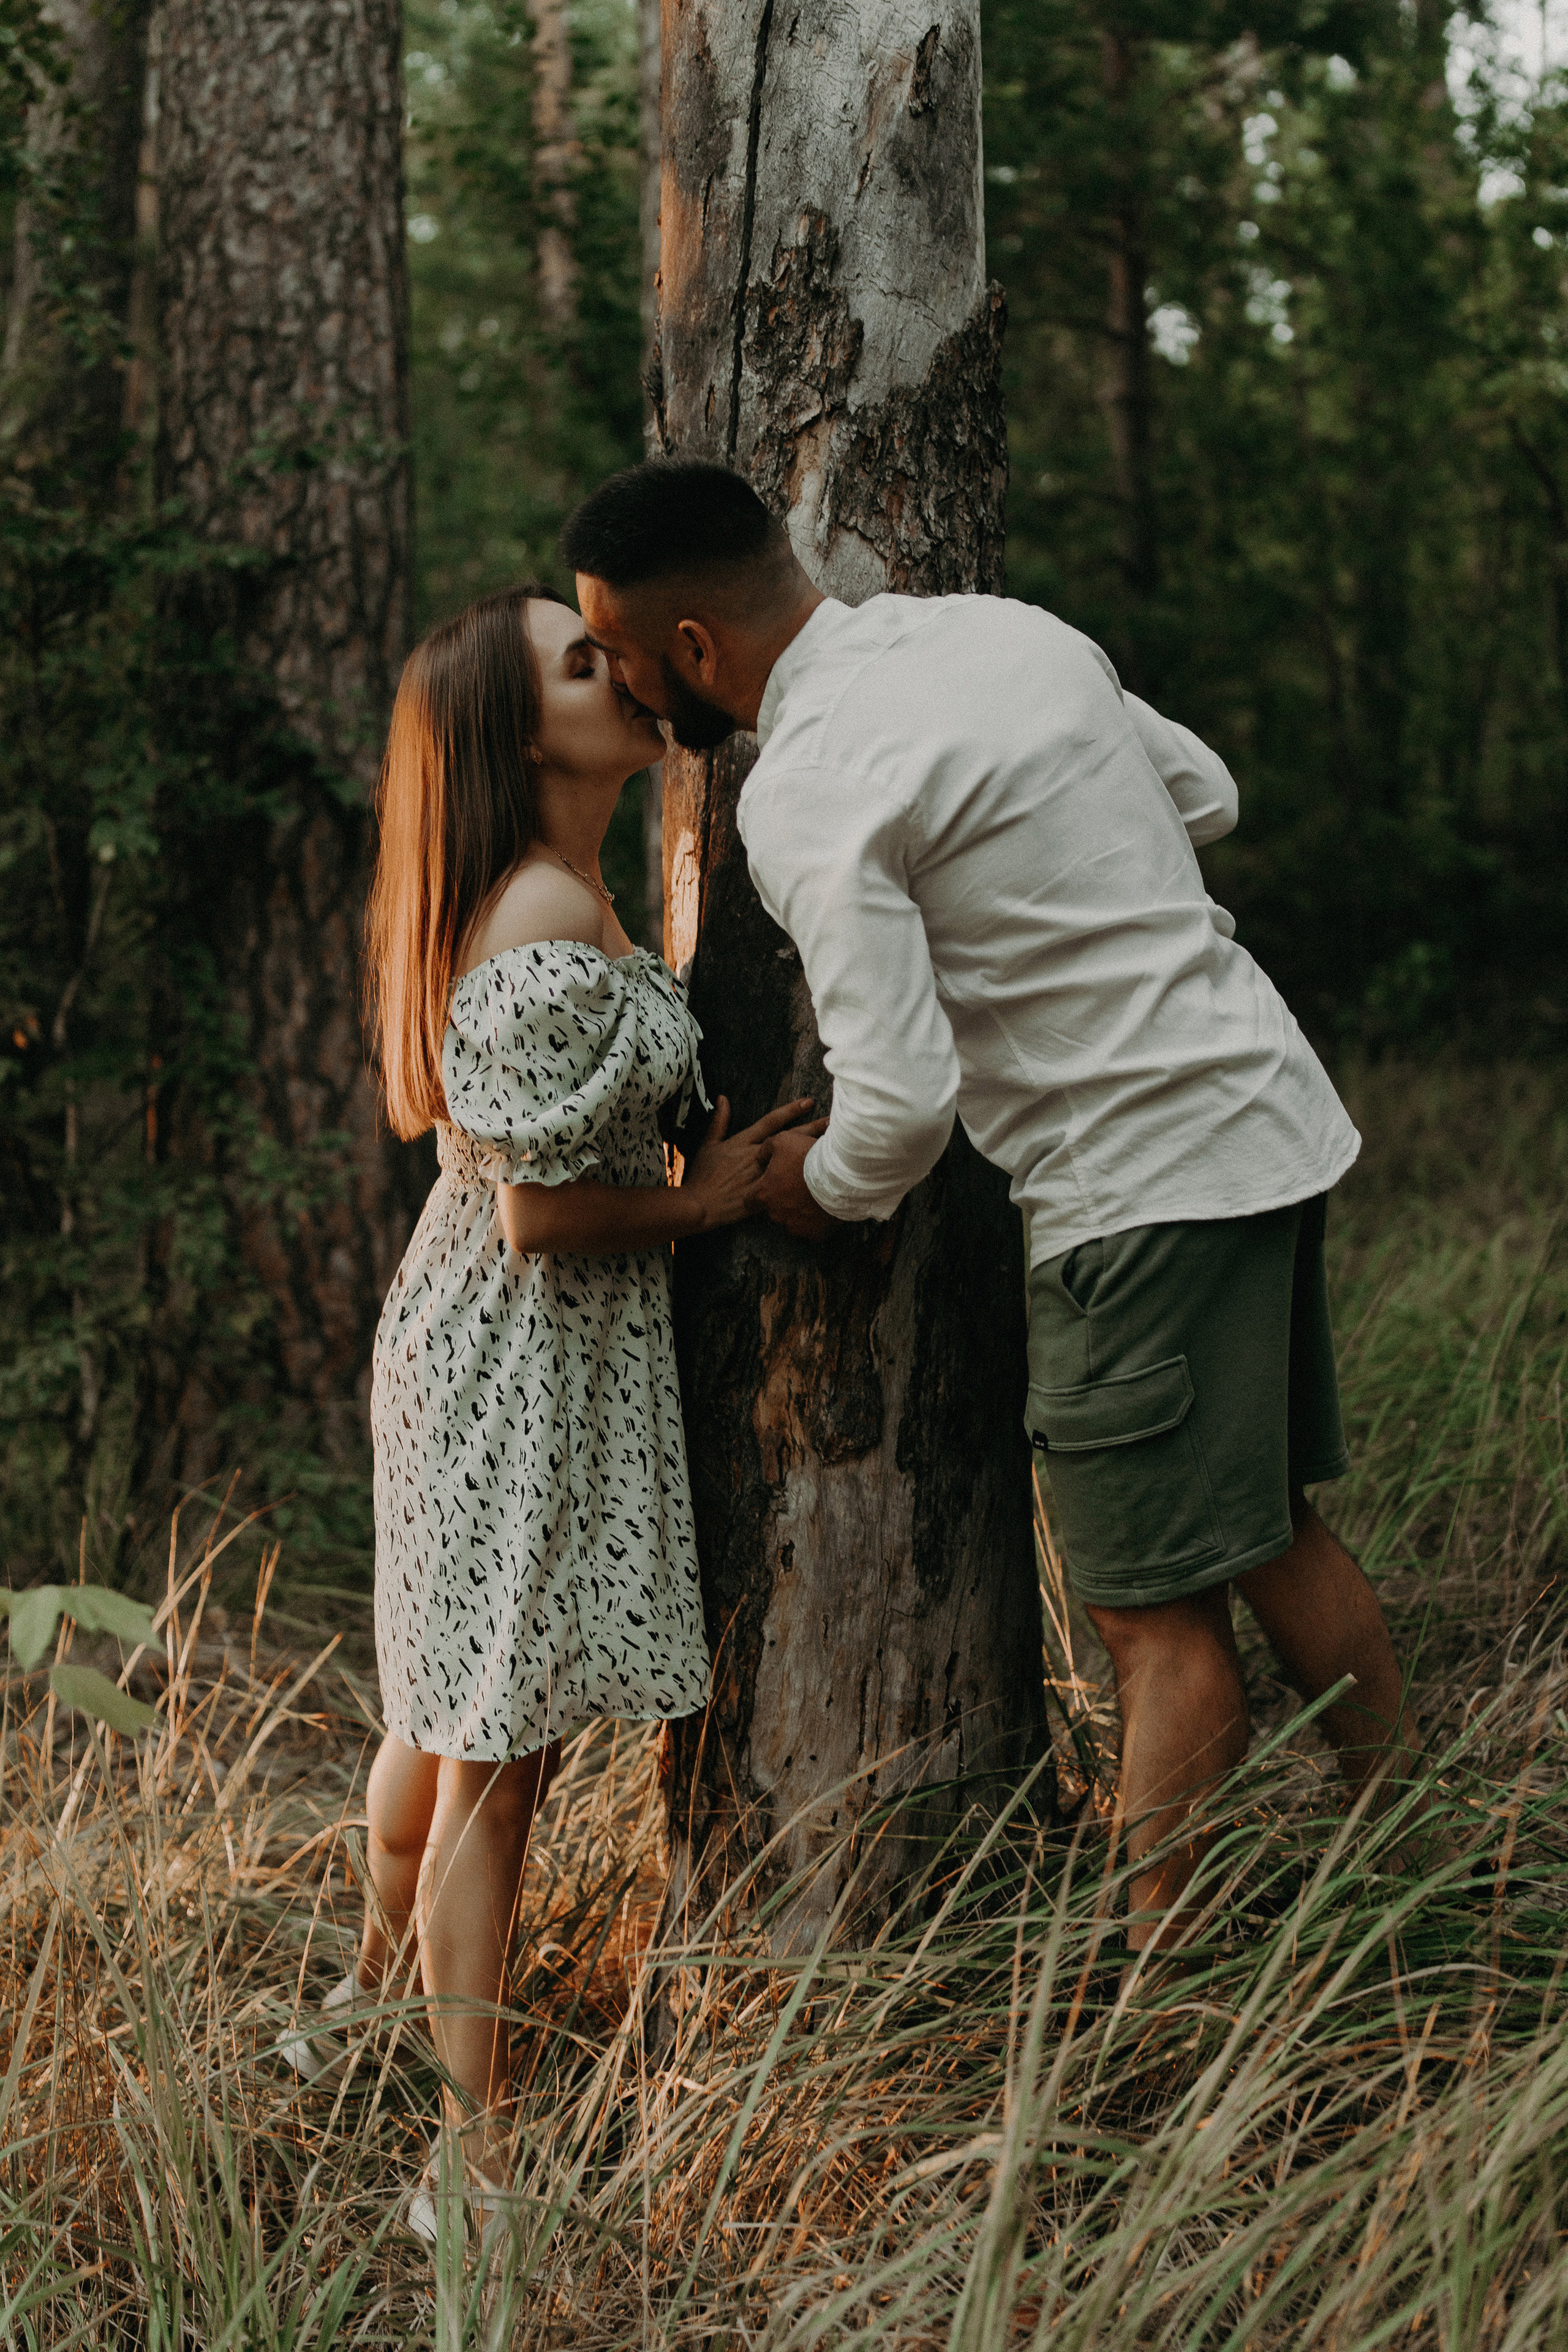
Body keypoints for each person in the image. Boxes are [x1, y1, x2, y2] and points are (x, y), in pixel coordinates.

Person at [560, 459, 1430, 1966]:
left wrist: (814, 1196)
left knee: (1153, 1627)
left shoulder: (812, 783)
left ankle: (1154, 2005)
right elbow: (1204, 790)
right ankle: (1415, 1870)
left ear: (692, 649)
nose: (625, 686)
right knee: (1270, 1530)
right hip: (1260, 1122)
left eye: (620, 653)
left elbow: (896, 1104)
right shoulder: (1004, 634)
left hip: (1137, 1190)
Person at [278, 581, 815, 2229]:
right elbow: (536, 1213)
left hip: (501, 1343)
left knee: (444, 1711)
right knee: (490, 1752)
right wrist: (712, 1196)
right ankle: (474, 2146)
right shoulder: (528, 917)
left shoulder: (565, 887)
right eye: (584, 665)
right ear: (525, 735)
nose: (627, 675)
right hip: (511, 1347)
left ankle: (370, 2000)